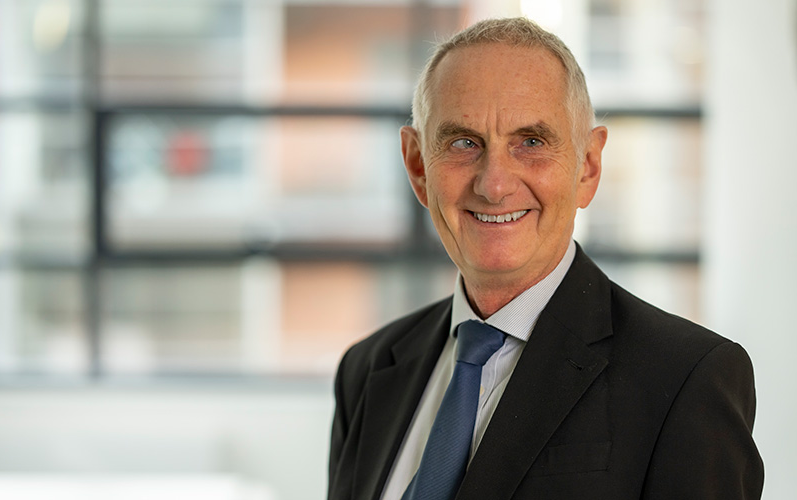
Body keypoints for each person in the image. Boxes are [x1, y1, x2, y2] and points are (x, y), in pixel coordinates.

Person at [327, 17, 763, 500]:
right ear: (417, 167)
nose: (494, 185)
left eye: (531, 143)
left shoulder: (685, 380)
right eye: (463, 143)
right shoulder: (367, 372)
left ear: (588, 167)